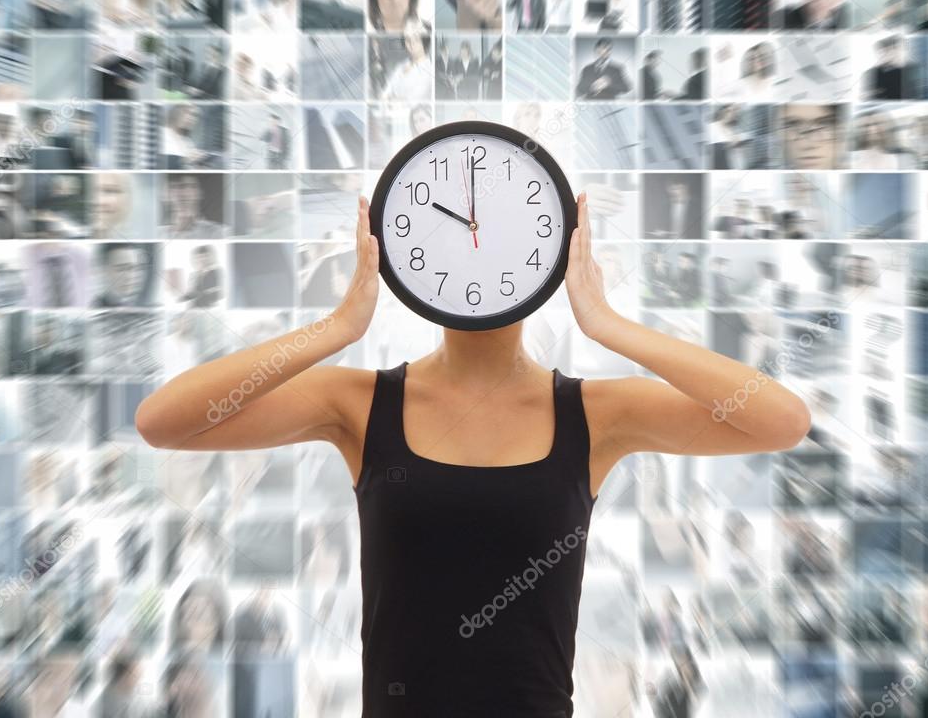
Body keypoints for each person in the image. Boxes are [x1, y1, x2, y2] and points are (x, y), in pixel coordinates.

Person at [136, 191, 810, 716]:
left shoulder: (597, 413)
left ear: (548, 259)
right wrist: (335, 327)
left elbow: (780, 421)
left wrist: (610, 323)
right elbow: (164, 422)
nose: (479, 255)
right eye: (456, 238)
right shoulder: (361, 402)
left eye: (508, 238)